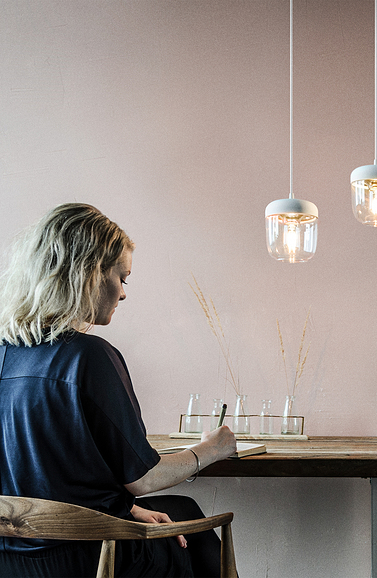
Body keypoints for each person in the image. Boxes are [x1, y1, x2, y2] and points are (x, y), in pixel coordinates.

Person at [0, 203, 237, 577]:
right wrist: (211, 449)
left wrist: (125, 509)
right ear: (89, 274)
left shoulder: (4, 354)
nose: (123, 293)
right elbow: (144, 478)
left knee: (179, 510)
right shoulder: (88, 356)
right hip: (90, 560)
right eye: (122, 278)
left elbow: (40, 475)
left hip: (13, 562)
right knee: (191, 524)